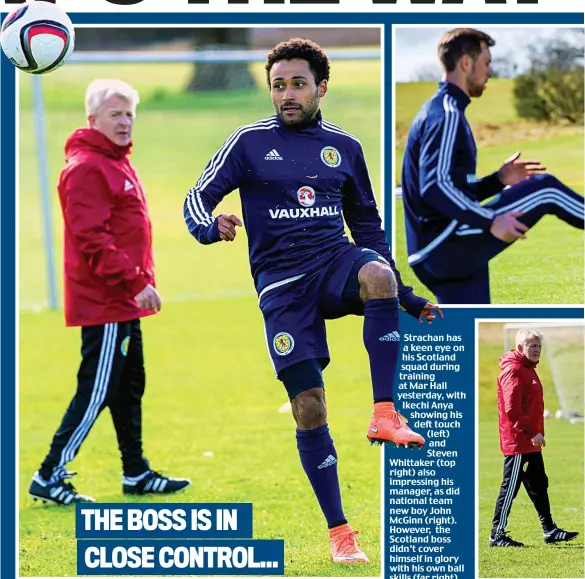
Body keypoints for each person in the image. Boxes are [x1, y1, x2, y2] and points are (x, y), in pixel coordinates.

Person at [183, 38, 441, 564]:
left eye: (297, 84)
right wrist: (211, 226)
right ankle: (341, 532)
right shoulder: (248, 144)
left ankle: (384, 412)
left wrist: (406, 294)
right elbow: (197, 197)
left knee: (374, 271)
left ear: (321, 87)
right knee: (309, 407)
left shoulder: (344, 148)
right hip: (282, 290)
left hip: (333, 263)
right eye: (278, 85)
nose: (287, 94)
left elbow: (367, 224)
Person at [29, 79, 190, 505]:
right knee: (97, 389)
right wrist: (136, 282)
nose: (124, 122)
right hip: (105, 302)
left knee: (128, 385)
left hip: (123, 300)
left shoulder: (116, 161)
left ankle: (135, 472)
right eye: (115, 114)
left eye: (129, 114)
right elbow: (91, 238)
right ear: (93, 119)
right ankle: (50, 474)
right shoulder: (86, 166)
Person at [401, 28, 584, 304]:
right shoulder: (447, 114)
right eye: (486, 63)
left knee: (468, 326)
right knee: (546, 189)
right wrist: (490, 221)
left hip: (433, 254)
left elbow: (452, 190)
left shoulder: (439, 110)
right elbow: (435, 188)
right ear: (465, 63)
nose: (490, 72)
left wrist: (498, 180)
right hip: (445, 243)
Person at [489, 329, 579, 547]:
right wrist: (532, 433)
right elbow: (513, 411)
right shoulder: (514, 371)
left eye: (539, 345)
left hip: (531, 443)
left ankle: (549, 530)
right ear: (520, 347)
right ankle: (496, 535)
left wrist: (537, 434)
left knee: (539, 485)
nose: (537, 350)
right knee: (509, 488)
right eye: (532, 346)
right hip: (519, 442)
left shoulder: (528, 369)